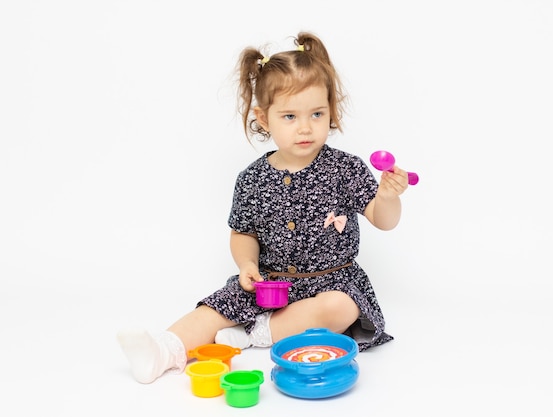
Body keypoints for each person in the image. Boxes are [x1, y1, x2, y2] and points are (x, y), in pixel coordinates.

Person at [117, 31, 410, 384]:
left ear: (330, 109)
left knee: (342, 306)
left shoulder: (345, 168)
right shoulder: (253, 178)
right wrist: (247, 264)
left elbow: (383, 219)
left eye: (317, 113)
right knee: (216, 306)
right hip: (269, 283)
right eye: (289, 117)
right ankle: (163, 349)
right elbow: (243, 233)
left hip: (329, 284)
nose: (305, 127)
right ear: (263, 117)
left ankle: (257, 333)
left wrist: (389, 197)